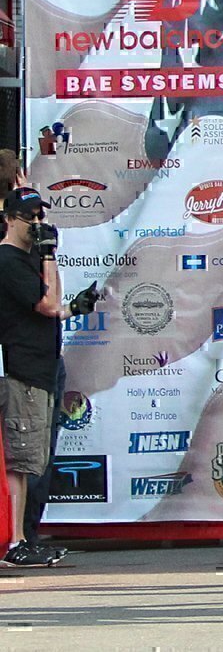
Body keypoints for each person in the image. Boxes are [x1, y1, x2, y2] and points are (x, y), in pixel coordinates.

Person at [0, 187, 65, 568]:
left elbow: (57, 304)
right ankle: (16, 541)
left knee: (30, 461)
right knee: (21, 462)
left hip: (39, 366)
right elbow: (48, 305)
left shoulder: (26, 260)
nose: (38, 224)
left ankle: (21, 538)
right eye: (31, 217)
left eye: (42, 216)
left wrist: (46, 257)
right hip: (21, 368)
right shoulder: (7, 260)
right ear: (10, 218)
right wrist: (48, 254)